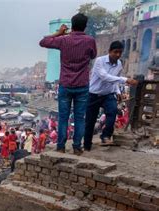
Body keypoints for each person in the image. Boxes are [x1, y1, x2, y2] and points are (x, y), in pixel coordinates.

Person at [39, 13, 97, 155]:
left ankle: (60, 146)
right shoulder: (90, 40)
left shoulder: (64, 40)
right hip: (82, 85)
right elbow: (93, 55)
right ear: (85, 26)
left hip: (65, 84)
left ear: (72, 25)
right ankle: (77, 147)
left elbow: (43, 42)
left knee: (63, 117)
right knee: (79, 118)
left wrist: (59, 33)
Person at [84, 41, 138, 150]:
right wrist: (126, 79)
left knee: (113, 112)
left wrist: (118, 92)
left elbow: (114, 80)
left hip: (108, 94)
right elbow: (105, 76)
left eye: (120, 52)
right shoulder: (100, 61)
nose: (118, 55)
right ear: (109, 51)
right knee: (90, 121)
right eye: (115, 52)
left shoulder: (119, 64)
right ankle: (87, 145)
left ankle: (105, 136)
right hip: (94, 94)